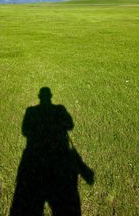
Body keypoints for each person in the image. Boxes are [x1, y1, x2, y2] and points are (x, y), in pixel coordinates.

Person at [10, 87, 94, 216]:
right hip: (58, 153)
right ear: (50, 96)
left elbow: (25, 131)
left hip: (35, 153)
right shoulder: (59, 109)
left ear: (39, 96)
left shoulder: (31, 111)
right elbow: (70, 125)